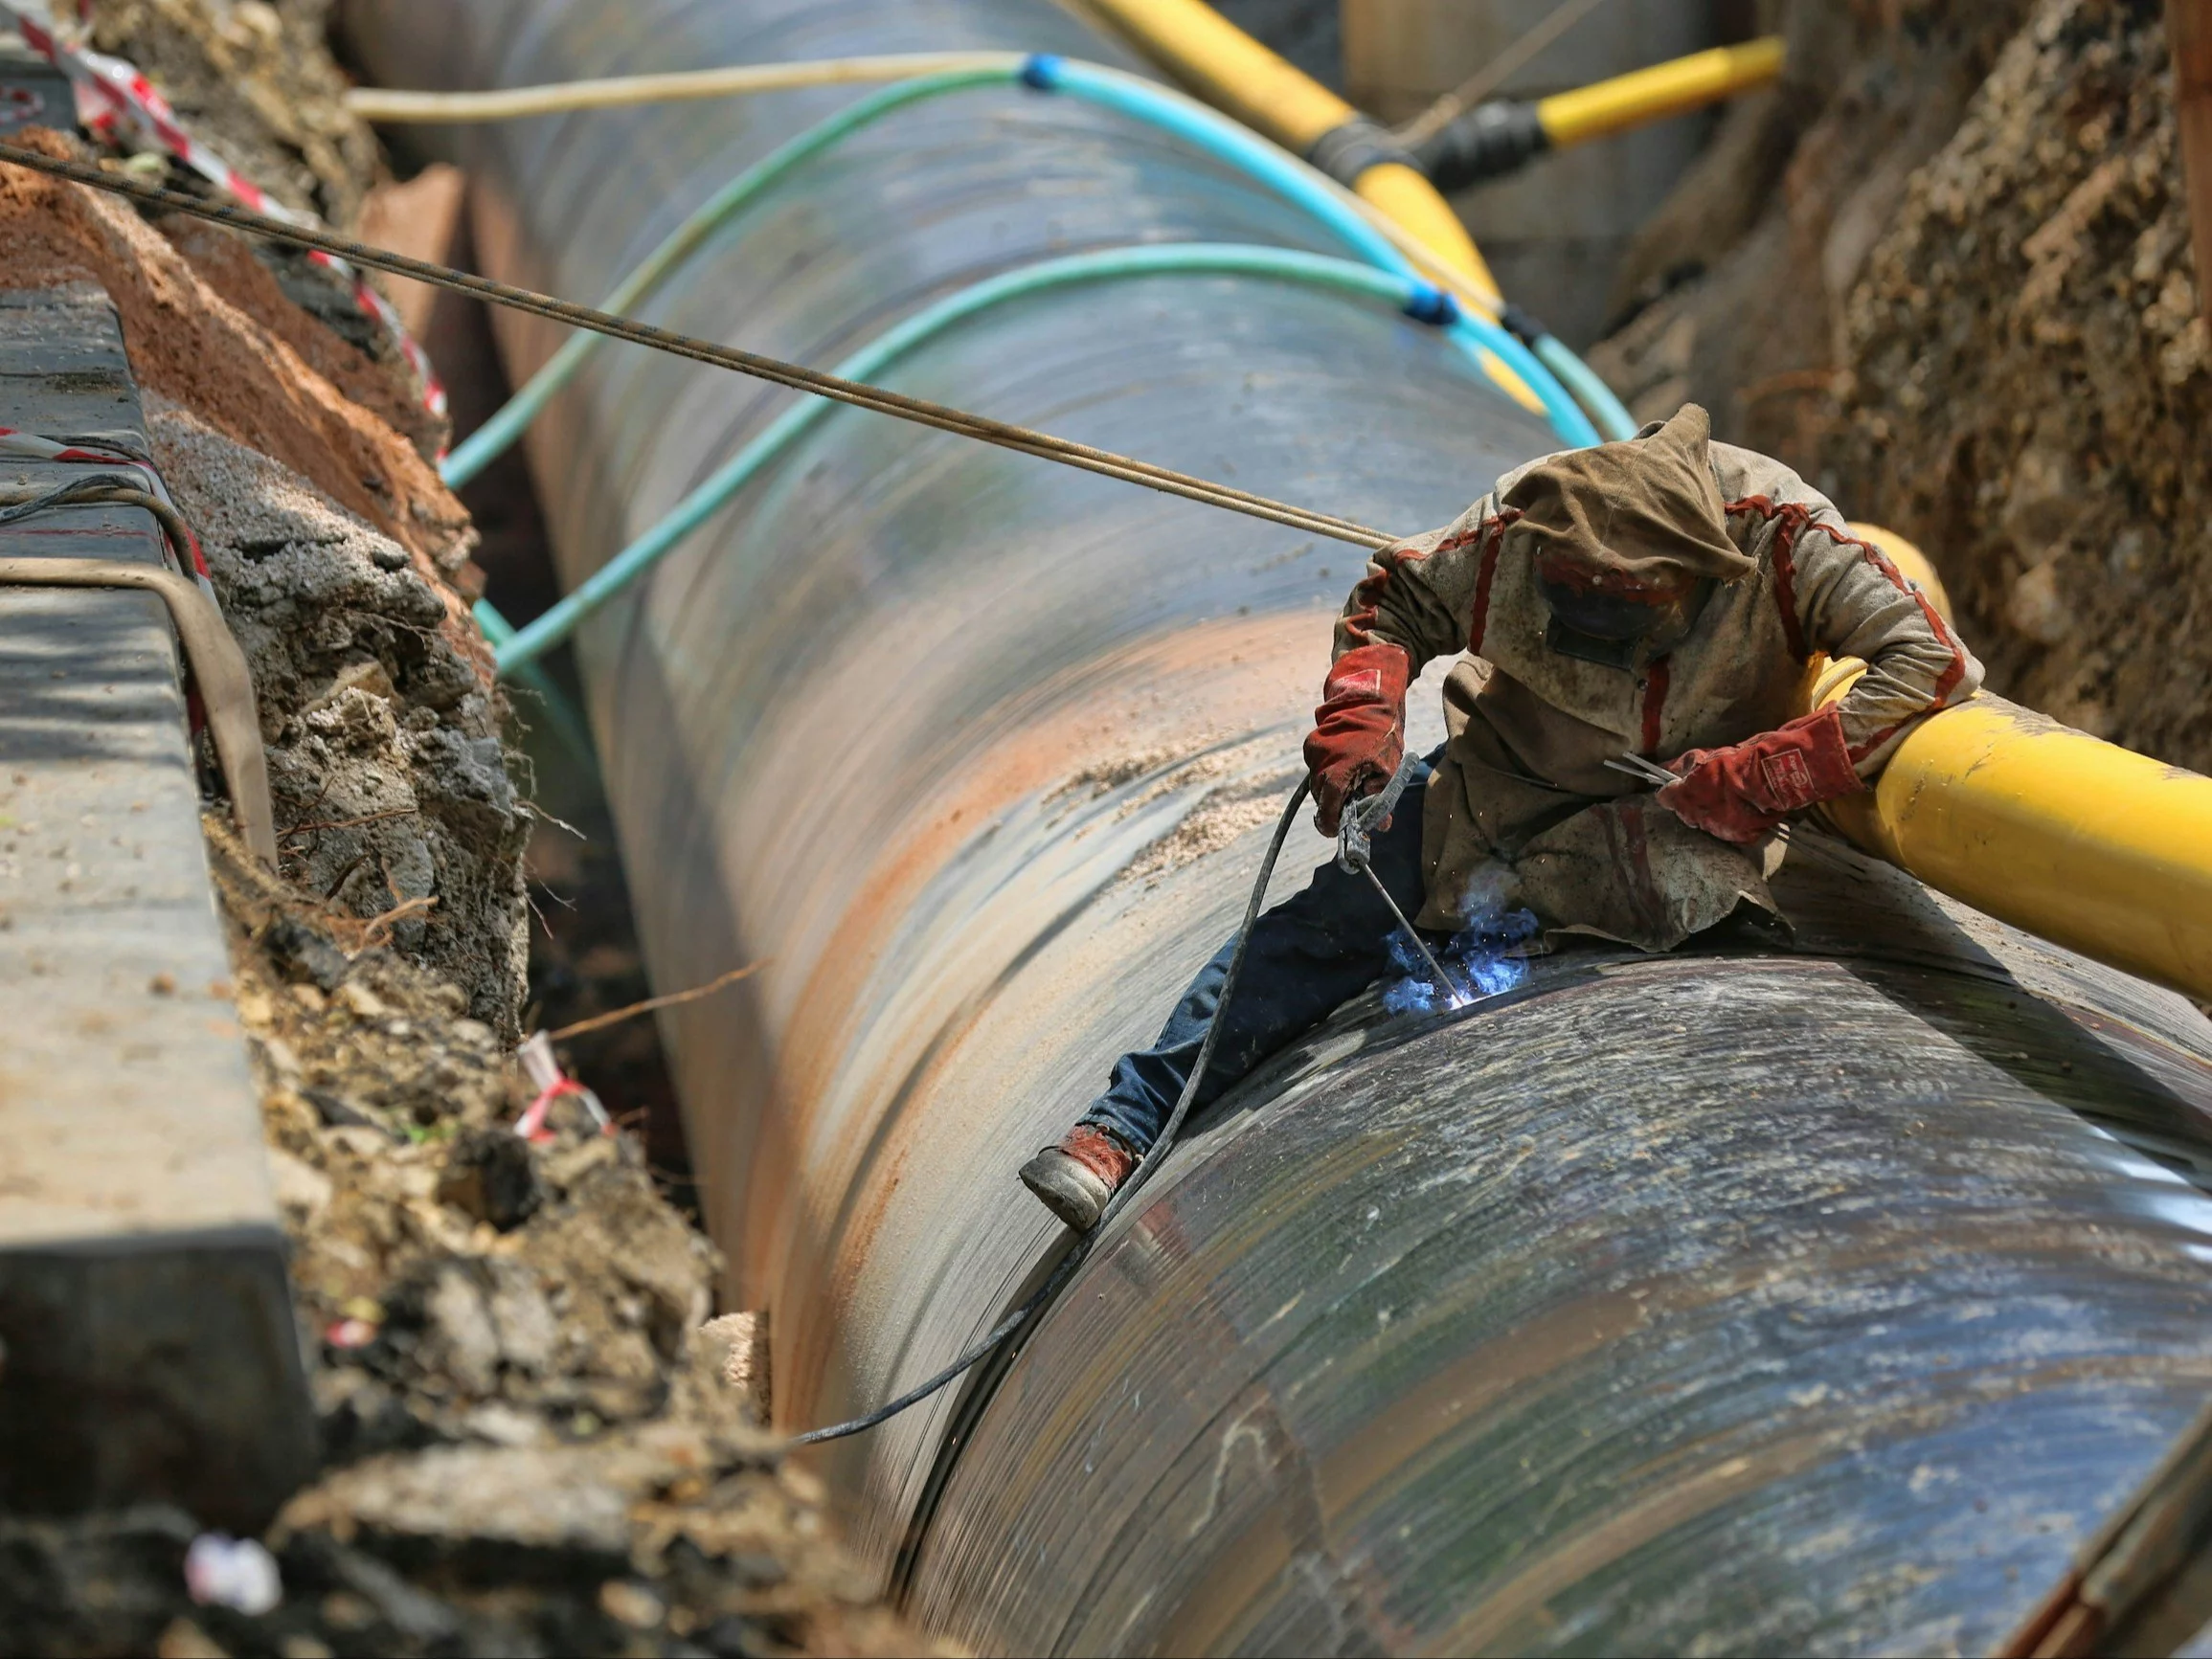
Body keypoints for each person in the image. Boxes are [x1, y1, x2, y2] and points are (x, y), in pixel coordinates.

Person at [1018, 404, 1981, 1231]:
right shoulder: (1524, 518)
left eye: (1625, 606)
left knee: (1729, 986)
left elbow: (1930, 663)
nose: (1594, 621)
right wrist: (1362, 722)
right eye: (1575, 596)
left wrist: (1768, 771)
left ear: (1699, 575)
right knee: (1322, 930)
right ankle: (1125, 1124)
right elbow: (1391, 601)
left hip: (1675, 824)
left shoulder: (1781, 534)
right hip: (1497, 792)